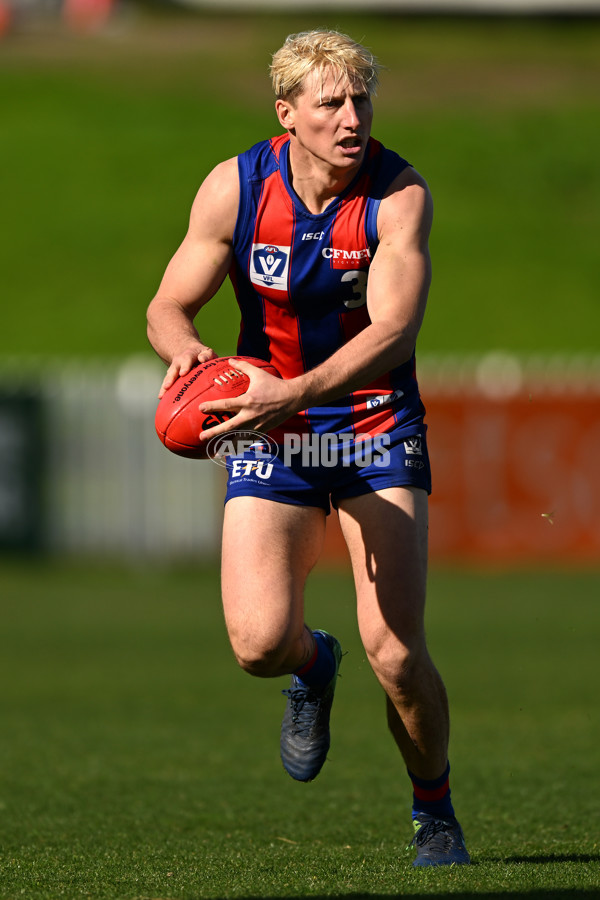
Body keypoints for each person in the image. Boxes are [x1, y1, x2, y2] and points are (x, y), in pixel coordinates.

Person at [146, 29, 470, 868]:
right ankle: (312, 663)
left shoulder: (399, 196)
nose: (351, 117)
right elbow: (165, 305)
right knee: (258, 646)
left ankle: (433, 809)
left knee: (397, 655)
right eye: (330, 102)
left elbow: (395, 331)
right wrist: (183, 345)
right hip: (274, 428)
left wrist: (296, 390)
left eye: (361, 99)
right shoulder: (236, 186)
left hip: (370, 425)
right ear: (286, 114)